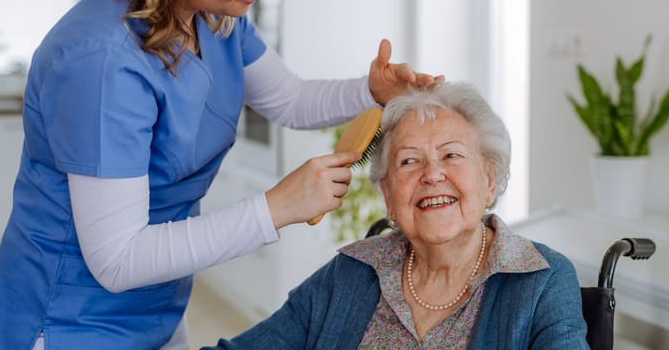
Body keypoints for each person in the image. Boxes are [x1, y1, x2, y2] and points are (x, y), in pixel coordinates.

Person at [0, 0, 443, 349]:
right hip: (65, 321)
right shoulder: (99, 62)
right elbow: (118, 260)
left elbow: (290, 99)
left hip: (158, 303)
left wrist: (370, 90)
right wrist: (276, 208)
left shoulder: (214, 15)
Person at [201, 83, 589, 349]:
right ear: (388, 196)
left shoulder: (541, 279)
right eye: (409, 161)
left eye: (452, 155)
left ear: (489, 181)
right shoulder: (351, 273)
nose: (432, 174)